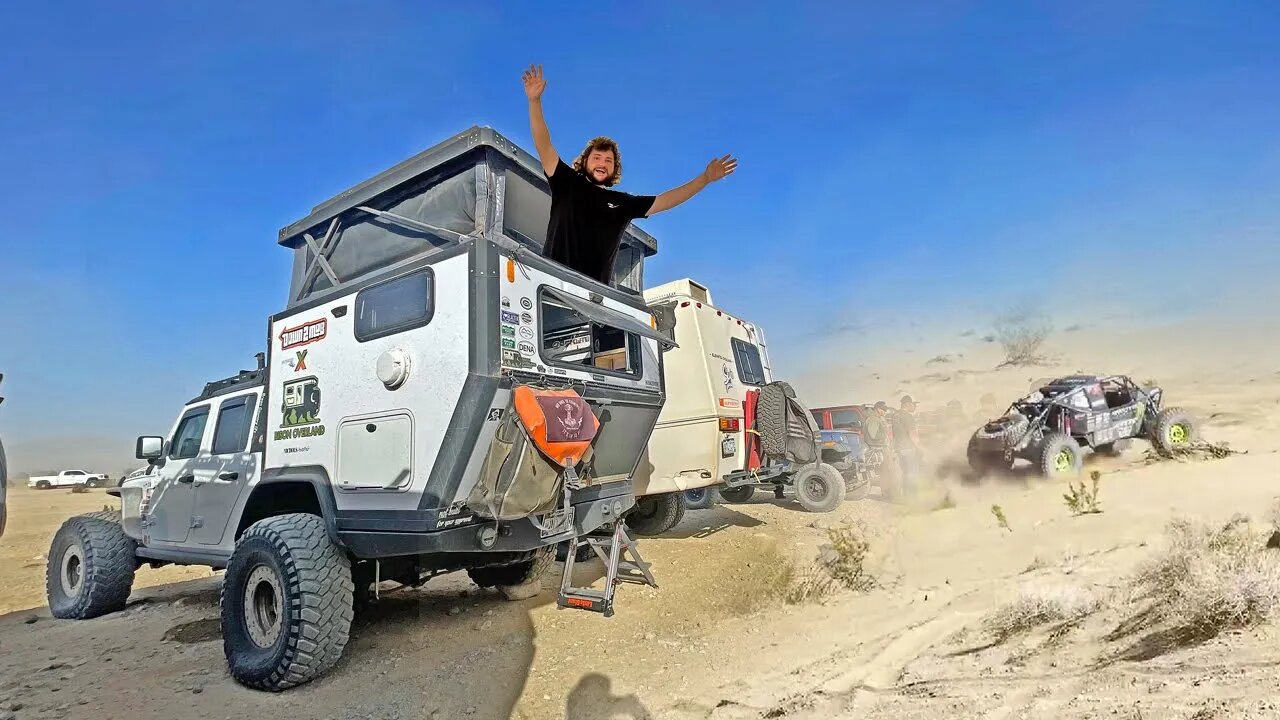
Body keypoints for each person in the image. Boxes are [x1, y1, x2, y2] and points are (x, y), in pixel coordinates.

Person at [522, 64, 739, 284]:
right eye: (597, 157)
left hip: (595, 298)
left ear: (615, 169)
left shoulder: (622, 203)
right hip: (552, 284)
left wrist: (705, 179)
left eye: (609, 161)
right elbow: (544, 145)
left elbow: (666, 200)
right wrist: (534, 101)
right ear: (584, 161)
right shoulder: (566, 182)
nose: (602, 163)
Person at [890, 395, 922, 498]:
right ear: (907, 404)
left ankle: (906, 496)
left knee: (905, 473)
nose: (915, 407)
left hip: (899, 448)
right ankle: (912, 498)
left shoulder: (895, 415)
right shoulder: (907, 416)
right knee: (912, 473)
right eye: (914, 404)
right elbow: (912, 434)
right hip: (908, 448)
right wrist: (919, 447)